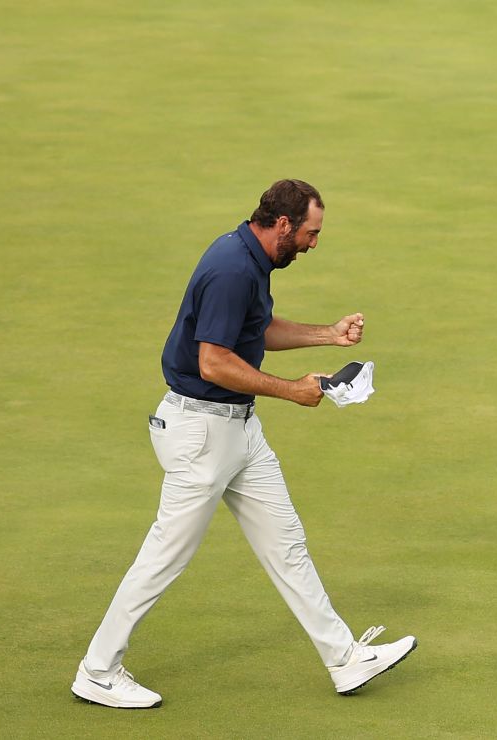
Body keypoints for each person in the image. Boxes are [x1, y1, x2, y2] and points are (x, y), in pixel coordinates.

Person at [70, 179, 416, 709]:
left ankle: (345, 659)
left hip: (236, 431)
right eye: (309, 233)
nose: (312, 244)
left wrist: (329, 333)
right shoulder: (232, 268)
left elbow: (255, 330)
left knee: (287, 543)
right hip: (202, 435)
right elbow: (214, 361)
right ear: (282, 224)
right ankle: (97, 670)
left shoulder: (249, 258)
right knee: (165, 557)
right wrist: (292, 391)